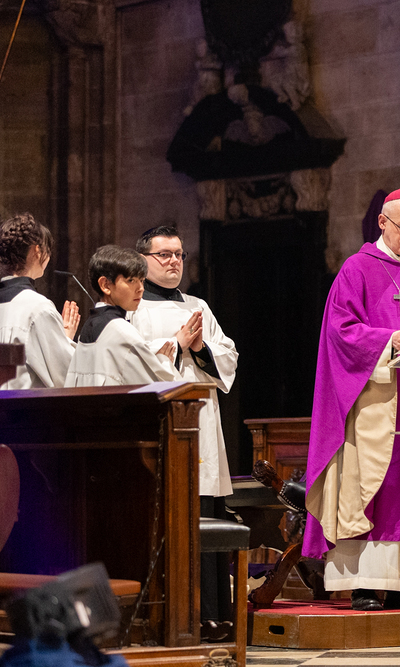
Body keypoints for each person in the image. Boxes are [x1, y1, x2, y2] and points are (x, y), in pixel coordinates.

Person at [303, 188, 400, 611]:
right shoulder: (356, 269)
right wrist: (388, 340)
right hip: (373, 400)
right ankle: (365, 584)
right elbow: (340, 331)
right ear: (382, 223)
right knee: (371, 486)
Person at [130, 226, 239, 629]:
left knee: (203, 515)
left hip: (204, 425)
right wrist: (176, 345)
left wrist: (199, 348)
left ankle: (211, 615)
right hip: (163, 425)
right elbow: (134, 365)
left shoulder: (199, 306)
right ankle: (175, 618)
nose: (174, 261)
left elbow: (228, 355)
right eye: (164, 255)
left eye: (178, 254)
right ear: (143, 260)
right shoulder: (133, 311)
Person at [65, 246, 178, 387]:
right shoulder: (121, 331)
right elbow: (155, 388)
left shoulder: (89, 325)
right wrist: (164, 361)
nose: (141, 288)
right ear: (105, 285)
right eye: (131, 280)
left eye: (142, 280)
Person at [0, 213, 78, 389]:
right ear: (37, 251)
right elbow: (67, 376)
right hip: (25, 405)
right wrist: (65, 338)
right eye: (47, 250)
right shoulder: (38, 309)